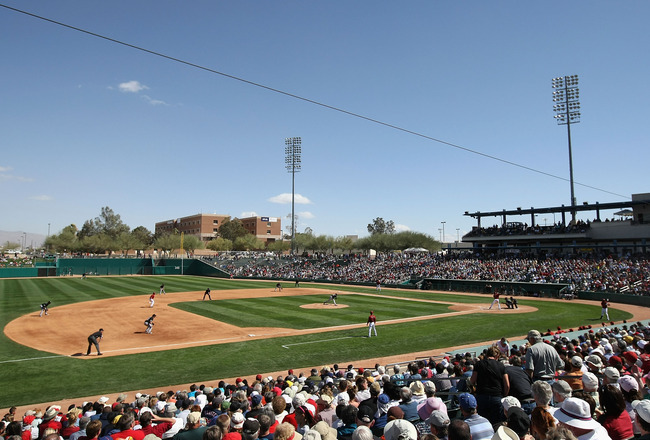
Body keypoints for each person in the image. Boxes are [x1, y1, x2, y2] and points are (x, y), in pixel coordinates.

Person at [470, 346, 510, 425]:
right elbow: (507, 385)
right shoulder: (501, 365)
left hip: (482, 397)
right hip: (497, 397)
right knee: (498, 424)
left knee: (483, 423)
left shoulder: (479, 364)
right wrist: (504, 395)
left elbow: (472, 381)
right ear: (497, 356)